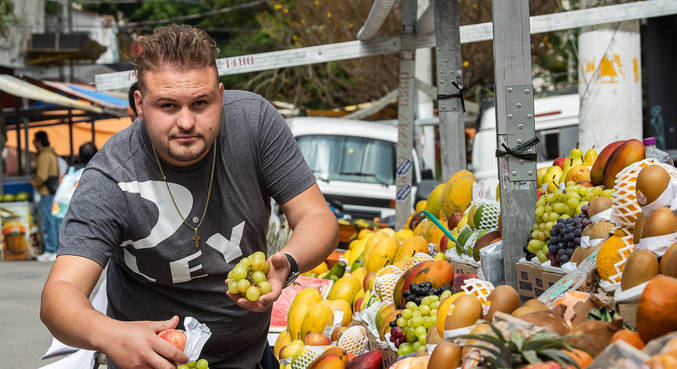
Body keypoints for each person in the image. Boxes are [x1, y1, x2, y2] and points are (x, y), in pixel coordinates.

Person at [40, 24, 339, 369]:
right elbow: (59, 293)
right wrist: (109, 334)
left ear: (221, 96)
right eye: (167, 105)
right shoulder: (112, 177)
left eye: (200, 103)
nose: (186, 122)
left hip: (250, 358)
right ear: (140, 104)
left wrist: (289, 261)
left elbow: (318, 217)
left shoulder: (254, 124)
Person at [30, 131, 61, 262]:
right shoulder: (52, 154)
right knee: (53, 221)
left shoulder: (44, 156)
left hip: (45, 192)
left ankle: (50, 249)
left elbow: (42, 176)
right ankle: (54, 249)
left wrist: (32, 182)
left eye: (34, 141)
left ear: (38, 142)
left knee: (48, 222)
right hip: (52, 192)